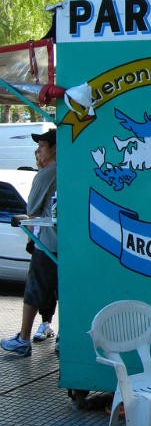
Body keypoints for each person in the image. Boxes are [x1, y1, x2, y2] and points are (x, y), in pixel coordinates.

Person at [1, 129, 57, 357]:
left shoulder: (46, 174)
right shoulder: (72, 170)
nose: (37, 151)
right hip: (71, 243)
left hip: (48, 243)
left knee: (35, 290)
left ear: (54, 148)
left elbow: (32, 209)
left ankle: (23, 339)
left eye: (42, 146)